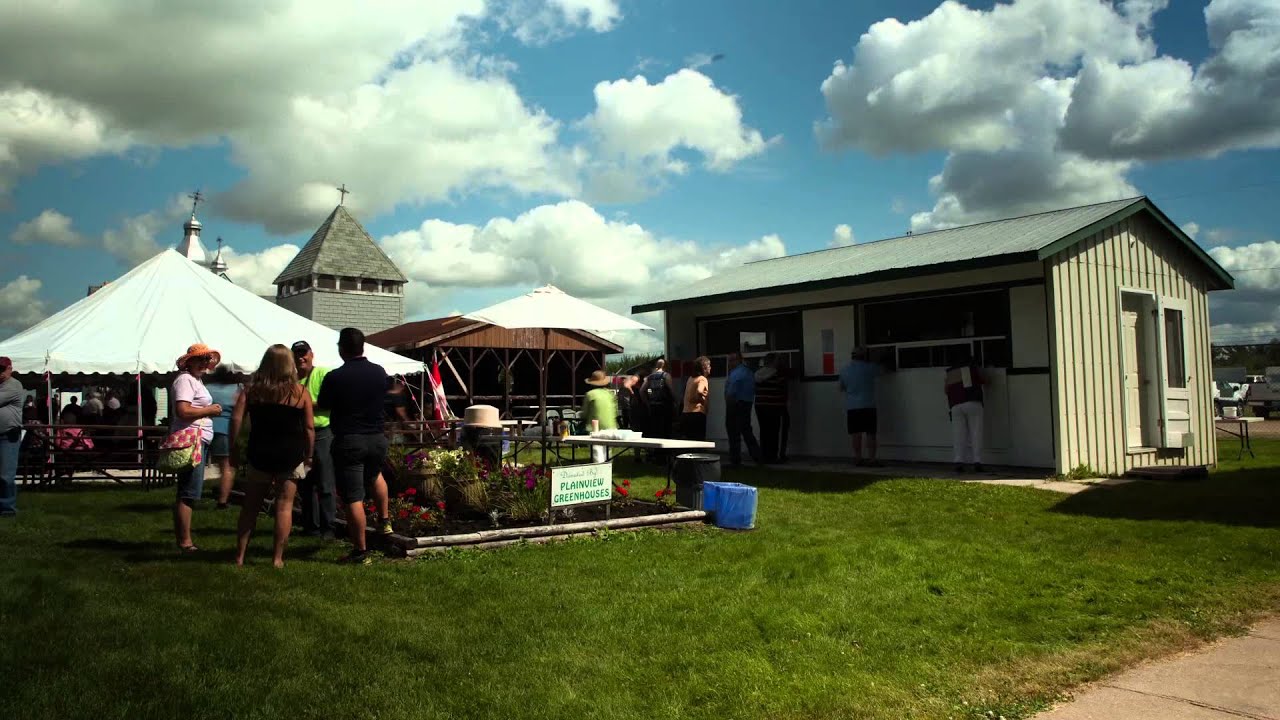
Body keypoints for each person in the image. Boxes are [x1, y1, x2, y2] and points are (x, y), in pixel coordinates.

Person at [230, 345, 315, 568]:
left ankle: (239, 556)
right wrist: (310, 455)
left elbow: (236, 420)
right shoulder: (300, 393)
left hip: (260, 452)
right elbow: (309, 428)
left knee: (250, 506)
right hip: (290, 453)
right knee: (284, 506)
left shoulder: (251, 391)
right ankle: (277, 559)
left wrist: (234, 447)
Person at [317, 327, 392, 564]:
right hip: (377, 437)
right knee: (375, 475)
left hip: (350, 439)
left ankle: (360, 551)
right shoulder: (380, 372)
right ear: (363, 347)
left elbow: (324, 404)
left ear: (341, 348)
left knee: (353, 496)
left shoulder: (335, 377)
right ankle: (384, 520)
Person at [169, 343, 224, 553]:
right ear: (189, 361)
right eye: (200, 359)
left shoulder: (195, 380)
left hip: (198, 438)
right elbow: (182, 410)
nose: (204, 363)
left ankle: (184, 538)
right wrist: (209, 410)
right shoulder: (185, 380)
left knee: (189, 489)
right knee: (189, 491)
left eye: (206, 360)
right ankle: (185, 541)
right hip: (191, 438)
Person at [292, 340, 336, 539]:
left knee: (325, 483)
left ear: (311, 354)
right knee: (304, 483)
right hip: (299, 435)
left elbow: (332, 402)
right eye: (297, 354)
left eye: (304, 353)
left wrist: (306, 405)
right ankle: (311, 526)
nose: (301, 357)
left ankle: (329, 528)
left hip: (322, 434)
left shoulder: (323, 374)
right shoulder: (291, 379)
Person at [205, 366, 242, 509]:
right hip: (226, 429)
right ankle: (222, 501)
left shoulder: (208, 388)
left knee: (201, 463)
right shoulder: (236, 389)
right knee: (227, 467)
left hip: (208, 428)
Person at [838, 347, 882, 467]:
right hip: (868, 404)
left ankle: (858, 458)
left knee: (856, 434)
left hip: (852, 406)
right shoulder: (870, 368)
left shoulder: (844, 370)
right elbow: (883, 370)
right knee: (870, 433)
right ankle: (872, 459)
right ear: (864, 356)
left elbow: (841, 388)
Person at [945, 348, 986, 473]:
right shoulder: (972, 368)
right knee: (976, 432)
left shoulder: (951, 371)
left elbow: (946, 389)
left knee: (959, 434)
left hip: (956, 405)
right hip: (973, 402)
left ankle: (959, 461)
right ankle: (977, 461)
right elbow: (984, 380)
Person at [724, 351, 761, 466]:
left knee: (733, 432)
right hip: (746, 404)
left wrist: (729, 402)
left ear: (738, 360)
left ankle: (735, 460)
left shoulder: (736, 373)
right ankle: (757, 457)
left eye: (732, 360)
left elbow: (731, 392)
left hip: (736, 404)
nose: (729, 363)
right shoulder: (748, 372)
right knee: (746, 431)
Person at [754, 353, 788, 463]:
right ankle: (773, 457)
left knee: (764, 431)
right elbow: (782, 389)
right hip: (774, 405)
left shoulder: (757, 374)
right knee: (774, 432)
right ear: (773, 362)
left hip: (760, 405)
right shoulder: (778, 375)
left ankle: (764, 455)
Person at [0, 357, 23, 517]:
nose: (0, 373)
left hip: (8, 435)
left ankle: (7, 509)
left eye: (2, 369)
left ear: (10, 368)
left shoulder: (13, 385)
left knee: (5, 475)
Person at [581, 370, 618, 463]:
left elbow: (584, 413)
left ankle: (600, 472)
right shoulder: (610, 394)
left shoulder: (590, 394)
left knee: (597, 452)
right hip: (611, 427)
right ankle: (608, 470)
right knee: (607, 452)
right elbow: (615, 411)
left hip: (595, 429)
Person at [640, 359, 675, 440]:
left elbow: (642, 391)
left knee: (655, 429)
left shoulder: (650, 377)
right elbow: (671, 390)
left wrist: (647, 403)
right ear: (665, 366)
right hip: (664, 406)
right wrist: (675, 401)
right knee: (666, 429)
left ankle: (656, 450)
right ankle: (665, 450)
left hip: (653, 406)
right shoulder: (666, 376)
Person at [681, 356, 711, 441]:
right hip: (696, 414)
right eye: (709, 366)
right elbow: (699, 391)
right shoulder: (702, 379)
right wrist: (702, 400)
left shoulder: (690, 378)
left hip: (686, 414)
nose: (710, 368)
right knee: (698, 442)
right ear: (704, 368)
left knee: (689, 442)